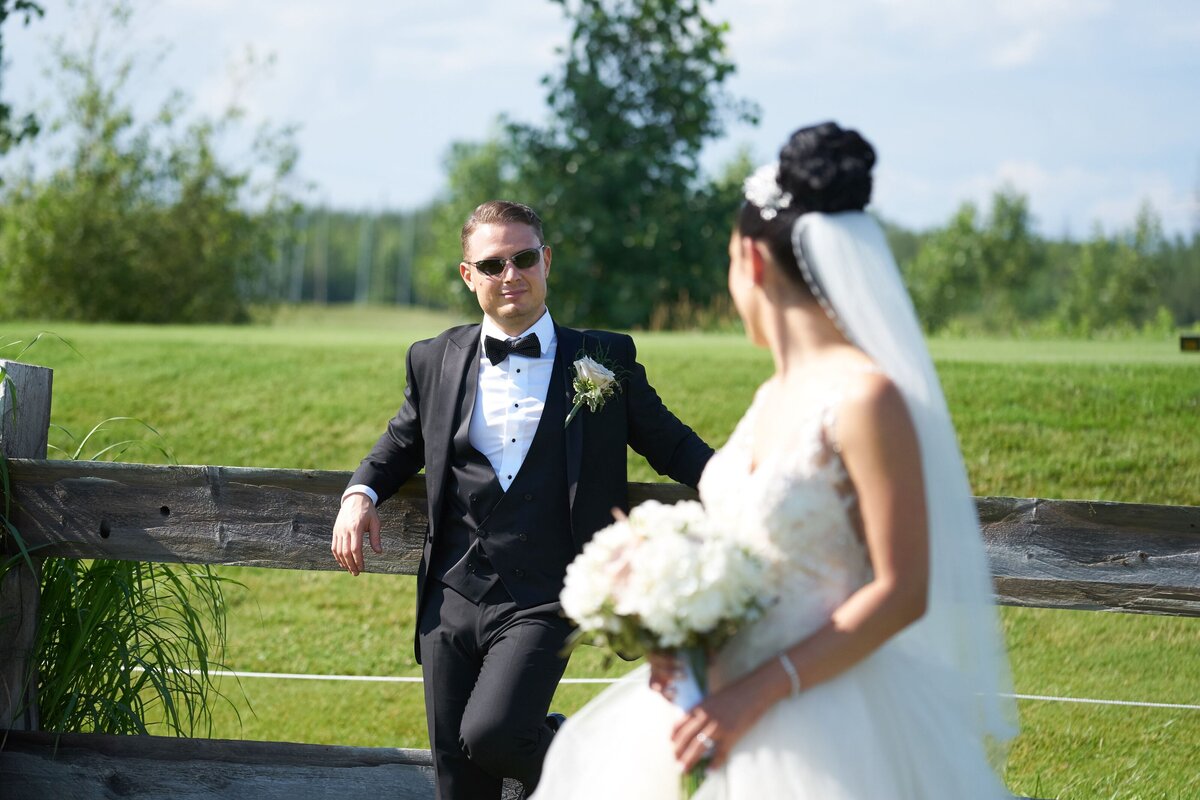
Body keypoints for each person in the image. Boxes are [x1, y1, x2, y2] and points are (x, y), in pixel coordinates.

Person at [532, 123, 1018, 798]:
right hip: (713, 702)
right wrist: (680, 629)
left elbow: (903, 590)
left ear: (752, 263)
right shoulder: (771, 395)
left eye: (729, 264)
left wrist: (760, 691)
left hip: (824, 718)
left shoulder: (867, 396)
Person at [330, 200, 714, 800]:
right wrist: (360, 493)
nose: (510, 274)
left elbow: (669, 441)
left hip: (546, 592)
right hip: (451, 594)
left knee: (495, 734)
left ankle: (593, 767)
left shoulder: (602, 359)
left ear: (546, 260)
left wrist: (732, 485)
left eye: (524, 257)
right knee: (458, 775)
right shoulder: (434, 357)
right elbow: (403, 440)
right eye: (492, 264)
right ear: (468, 275)